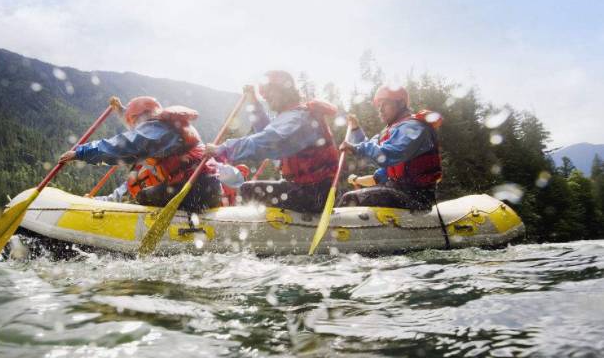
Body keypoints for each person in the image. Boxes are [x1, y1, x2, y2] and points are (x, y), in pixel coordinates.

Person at [205, 70, 339, 213]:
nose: (267, 97)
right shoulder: (291, 116)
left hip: (316, 193)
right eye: (265, 95)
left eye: (270, 92)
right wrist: (253, 101)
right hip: (305, 188)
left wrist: (223, 149)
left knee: (249, 190)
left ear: (285, 91)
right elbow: (265, 130)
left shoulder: (299, 118)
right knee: (250, 188)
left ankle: (257, 233)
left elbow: (269, 141)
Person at [59, 96, 222, 212]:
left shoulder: (157, 129)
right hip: (207, 188)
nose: (134, 127)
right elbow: (137, 126)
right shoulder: (165, 127)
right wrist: (120, 110)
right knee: (145, 191)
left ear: (139, 118)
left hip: (195, 189)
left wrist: (81, 152)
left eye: (133, 121)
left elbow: (124, 145)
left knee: (143, 196)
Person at [338, 85, 442, 210]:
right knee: (357, 196)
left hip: (417, 197)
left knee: (351, 199)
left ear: (401, 103)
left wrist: (357, 149)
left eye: (385, 104)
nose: (380, 110)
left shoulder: (413, 127)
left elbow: (387, 154)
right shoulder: (392, 130)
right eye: (379, 106)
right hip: (398, 191)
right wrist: (355, 128)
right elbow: (369, 145)